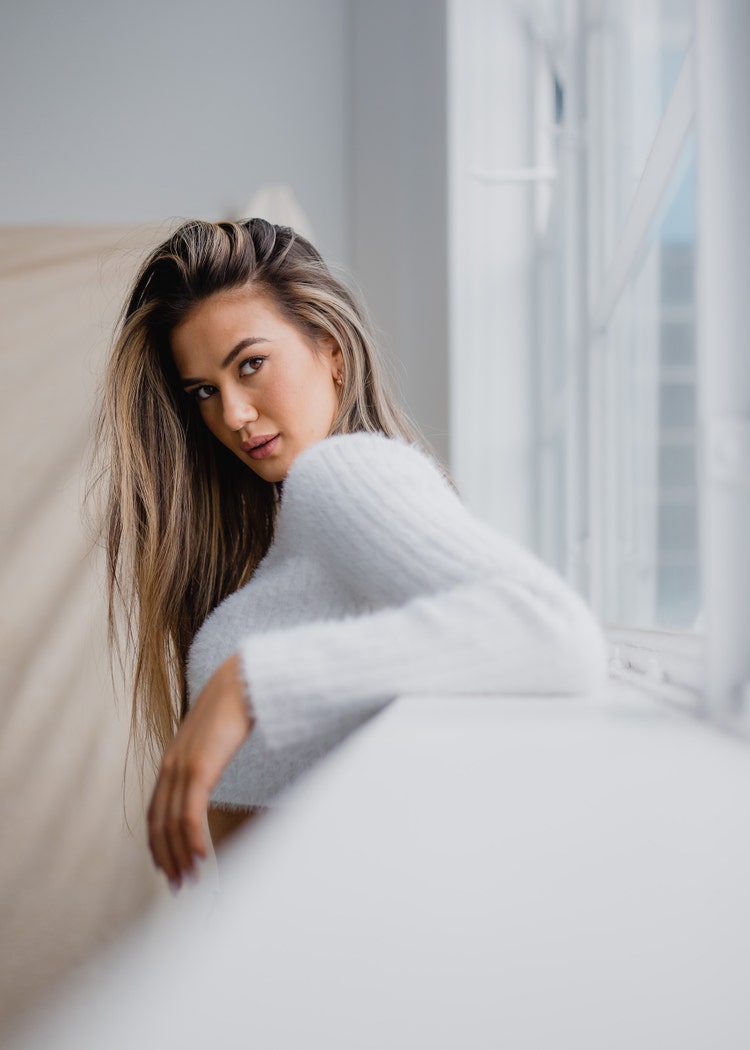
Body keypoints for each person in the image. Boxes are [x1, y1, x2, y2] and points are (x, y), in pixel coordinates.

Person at [98, 218, 606, 892]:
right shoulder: (304, 530)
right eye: (205, 392)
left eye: (251, 364)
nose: (235, 415)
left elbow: (554, 635)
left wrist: (251, 683)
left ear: (331, 350)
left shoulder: (346, 473)